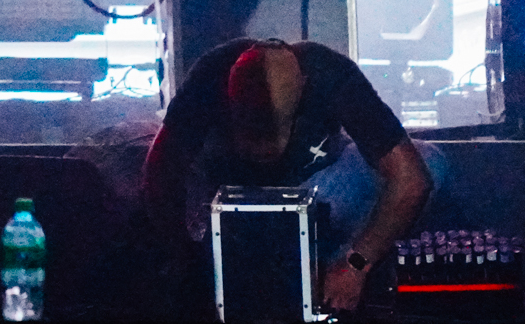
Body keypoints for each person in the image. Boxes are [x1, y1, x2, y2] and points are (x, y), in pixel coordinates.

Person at [142, 37, 437, 314]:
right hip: (222, 205)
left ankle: (325, 273)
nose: (263, 149)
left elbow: (412, 179)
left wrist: (355, 263)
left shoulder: (331, 74)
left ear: (304, 88)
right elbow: (159, 170)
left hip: (318, 192)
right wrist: (184, 257)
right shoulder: (210, 75)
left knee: (432, 161)